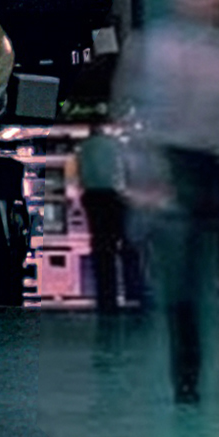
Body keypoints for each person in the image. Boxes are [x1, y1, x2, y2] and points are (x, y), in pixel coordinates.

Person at [113, 0, 219, 400]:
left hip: (201, 168)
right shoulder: (156, 47)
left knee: (192, 274)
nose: (210, 1)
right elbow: (128, 109)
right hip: (171, 164)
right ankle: (187, 370)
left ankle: (188, 364)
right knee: (182, 275)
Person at [74, 115, 133, 316]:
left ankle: (105, 297)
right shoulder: (114, 145)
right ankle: (127, 291)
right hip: (113, 197)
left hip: (93, 198)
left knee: (101, 248)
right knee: (121, 244)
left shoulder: (83, 148)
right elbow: (121, 172)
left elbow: (81, 175)